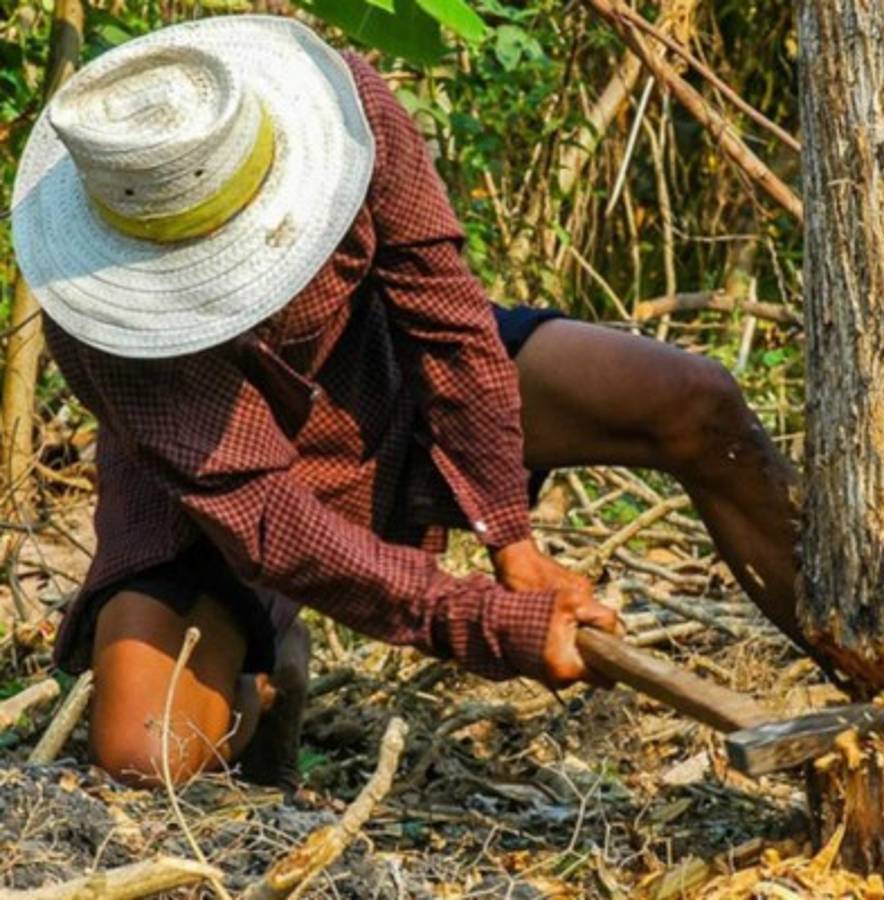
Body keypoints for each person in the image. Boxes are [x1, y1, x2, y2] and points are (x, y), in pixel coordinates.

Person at [11, 15, 803, 788]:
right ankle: (265, 655)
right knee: (144, 755)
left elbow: (452, 328)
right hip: (217, 499)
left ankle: (879, 665)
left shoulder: (350, 116)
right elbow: (263, 517)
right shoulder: (99, 327)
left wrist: (513, 545)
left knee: (694, 401)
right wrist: (485, 622)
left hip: (386, 381)